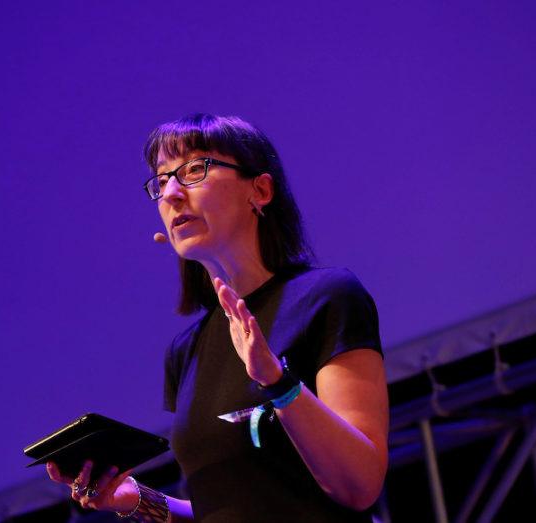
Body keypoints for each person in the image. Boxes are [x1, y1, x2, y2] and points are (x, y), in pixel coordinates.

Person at [47, 114, 389, 522]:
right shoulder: (186, 350)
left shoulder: (326, 297)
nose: (172, 193)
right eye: (162, 180)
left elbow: (360, 484)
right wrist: (138, 499)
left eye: (194, 169)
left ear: (260, 190)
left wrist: (278, 385)